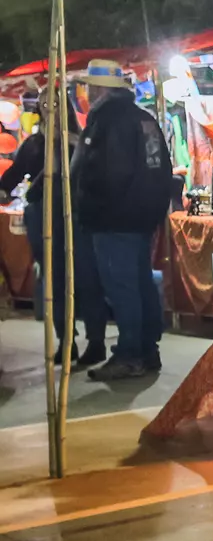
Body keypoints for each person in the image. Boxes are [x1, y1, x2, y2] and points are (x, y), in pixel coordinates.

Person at [72, 60, 174, 381]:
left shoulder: (108, 121)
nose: (87, 93)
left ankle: (130, 354)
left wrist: (90, 205)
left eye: (90, 87)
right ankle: (146, 349)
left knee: (122, 286)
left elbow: (108, 174)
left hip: (114, 218)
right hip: (140, 216)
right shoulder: (143, 118)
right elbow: (163, 169)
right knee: (140, 283)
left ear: (99, 89)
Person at [0, 106, 110, 368]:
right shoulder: (35, 144)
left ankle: (96, 341)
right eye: (44, 106)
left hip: (78, 217)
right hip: (45, 218)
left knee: (87, 278)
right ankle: (65, 340)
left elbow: (99, 175)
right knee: (54, 280)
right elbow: (14, 175)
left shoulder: (82, 141)